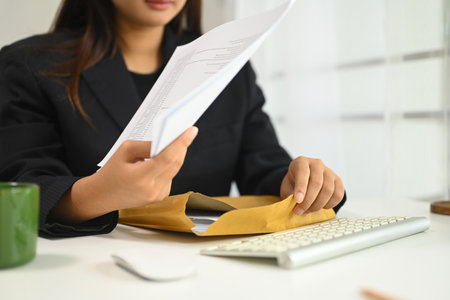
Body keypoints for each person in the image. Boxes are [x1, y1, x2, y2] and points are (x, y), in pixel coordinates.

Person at [0, 0, 346, 237]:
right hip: (92, 272)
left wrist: (303, 183)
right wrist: (99, 193)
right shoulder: (29, 65)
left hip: (217, 269)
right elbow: (22, 190)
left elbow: (265, 167)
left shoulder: (227, 67)